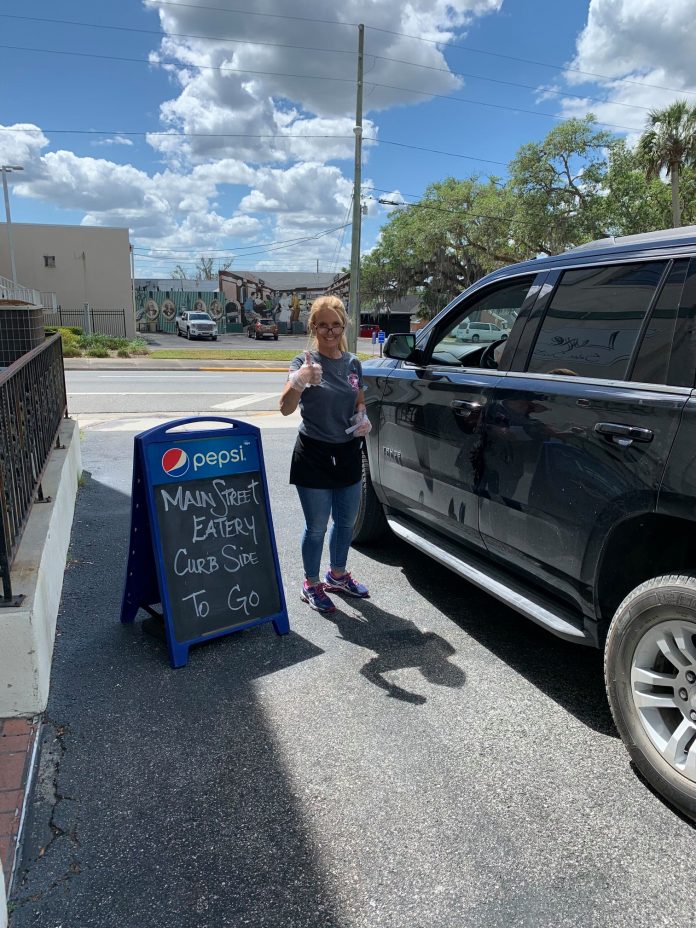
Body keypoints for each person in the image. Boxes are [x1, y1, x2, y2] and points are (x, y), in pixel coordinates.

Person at [279, 295, 372, 613]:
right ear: (313, 326)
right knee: (317, 526)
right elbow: (285, 409)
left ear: (344, 325)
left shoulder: (353, 363)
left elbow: (358, 396)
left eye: (336, 325)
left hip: (347, 451)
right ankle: (311, 582)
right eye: (323, 325)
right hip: (314, 453)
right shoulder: (302, 362)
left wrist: (362, 414)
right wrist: (300, 382)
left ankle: (338, 575)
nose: (330, 331)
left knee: (346, 523)